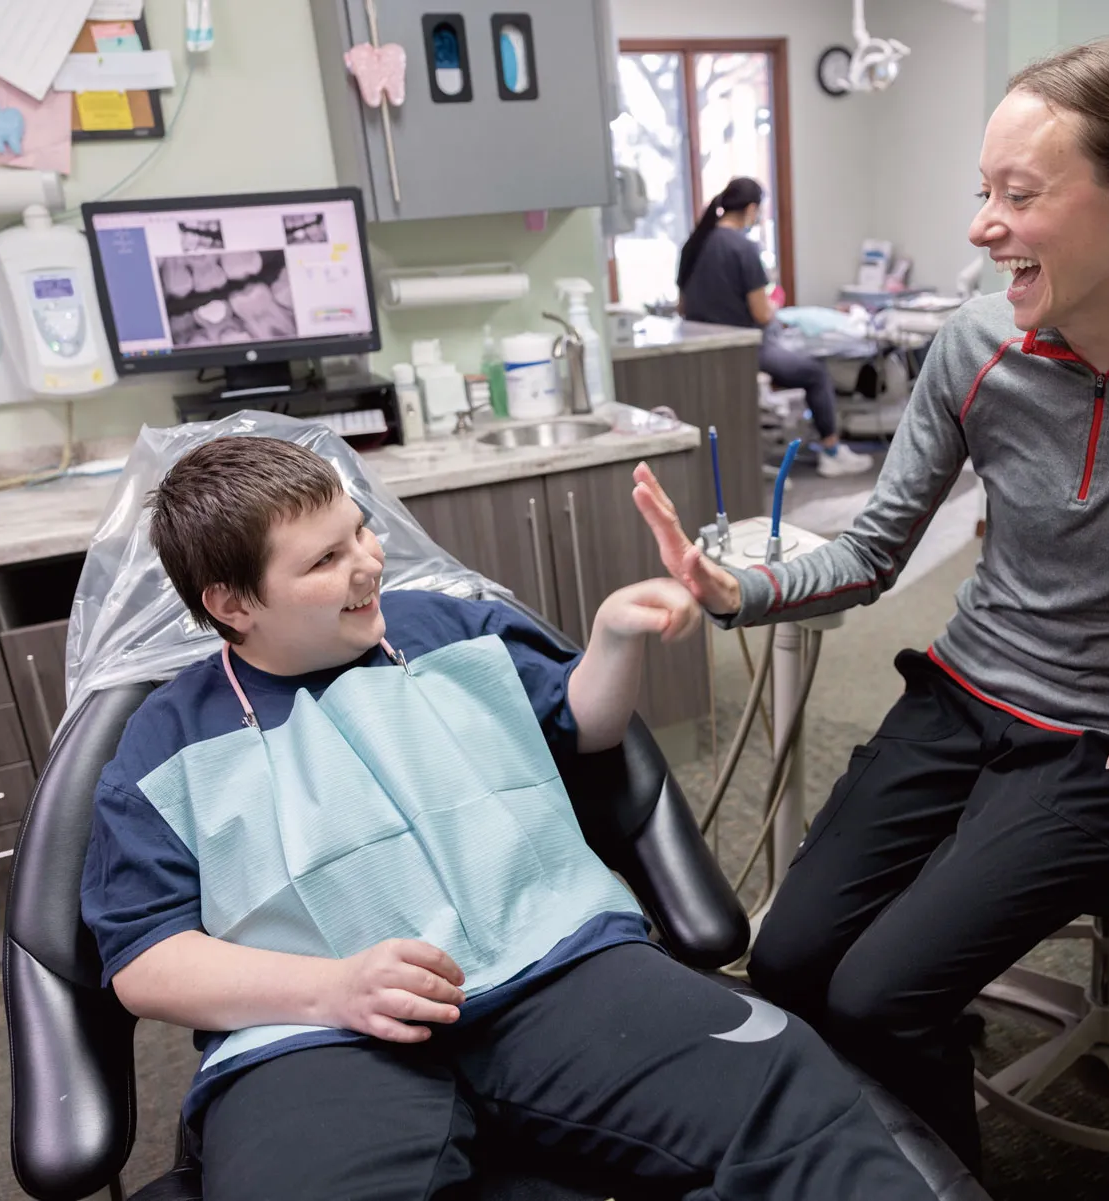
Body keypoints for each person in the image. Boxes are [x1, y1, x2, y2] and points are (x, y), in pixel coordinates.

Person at [633, 34, 1109, 1173]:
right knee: (788, 961)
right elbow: (871, 548)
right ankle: (885, 1103)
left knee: (870, 995)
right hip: (957, 701)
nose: (979, 224)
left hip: (1107, 747)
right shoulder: (974, 348)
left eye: (1018, 194)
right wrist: (737, 588)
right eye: (982, 193)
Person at [80, 435, 939, 1201]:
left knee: (783, 1088)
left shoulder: (451, 629)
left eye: (360, 531)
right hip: (312, 1034)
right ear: (233, 603)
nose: (369, 563)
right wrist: (329, 989)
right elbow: (145, 960)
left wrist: (611, 639)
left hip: (553, 964)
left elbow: (582, 726)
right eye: (324, 560)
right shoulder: (164, 744)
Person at [676, 176, 874, 478]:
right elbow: (761, 313)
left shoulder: (694, 244)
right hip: (743, 350)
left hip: (702, 354)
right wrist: (773, 310)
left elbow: (682, 307)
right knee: (816, 373)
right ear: (752, 209)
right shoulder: (743, 248)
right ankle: (832, 452)